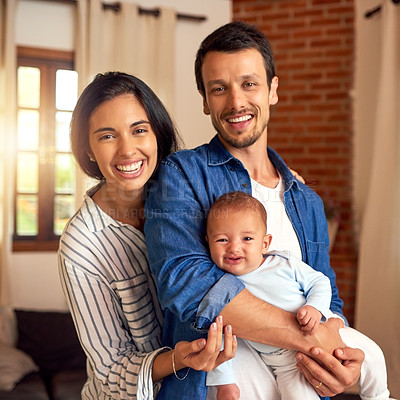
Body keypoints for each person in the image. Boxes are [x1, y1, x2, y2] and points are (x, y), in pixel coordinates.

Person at [144, 21, 364, 400]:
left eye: (249, 84)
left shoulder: (306, 201)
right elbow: (188, 283)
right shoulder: (181, 175)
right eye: (219, 89)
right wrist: (311, 335)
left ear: (273, 89)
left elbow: (329, 299)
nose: (235, 103)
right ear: (204, 100)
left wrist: (342, 360)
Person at [57, 72, 237, 400]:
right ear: (89, 150)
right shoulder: (81, 246)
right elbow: (109, 370)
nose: (128, 150)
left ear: (157, 134)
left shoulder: (188, 197)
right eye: (107, 136)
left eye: (139, 130)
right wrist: (175, 359)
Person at [205, 191, 391, 400]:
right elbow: (221, 339)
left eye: (247, 238)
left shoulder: (283, 262)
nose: (234, 247)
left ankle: (378, 396)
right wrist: (224, 383)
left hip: (325, 330)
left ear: (265, 243)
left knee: (373, 354)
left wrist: (315, 307)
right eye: (222, 240)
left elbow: (319, 282)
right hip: (287, 365)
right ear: (207, 242)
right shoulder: (222, 285)